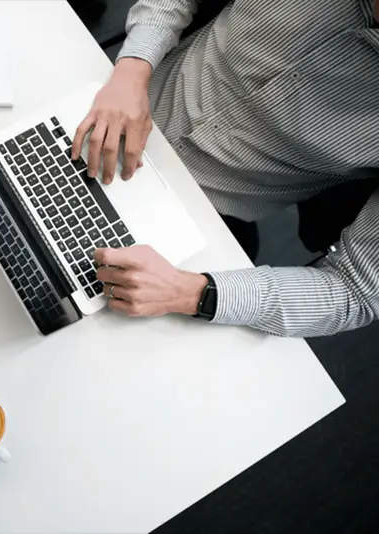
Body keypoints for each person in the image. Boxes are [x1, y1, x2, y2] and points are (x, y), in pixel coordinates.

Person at [74, 0, 379, 338]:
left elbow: (355, 290)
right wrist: (133, 69)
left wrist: (191, 293)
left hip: (196, 217)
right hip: (110, 97)